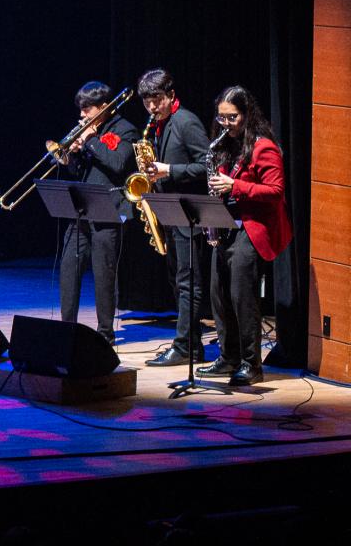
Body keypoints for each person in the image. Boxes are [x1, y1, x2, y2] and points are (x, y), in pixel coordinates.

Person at [199, 86, 290, 385]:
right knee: (218, 294)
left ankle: (252, 364)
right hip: (227, 225)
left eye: (232, 117)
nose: (226, 124)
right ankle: (228, 358)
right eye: (221, 117)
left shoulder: (264, 147)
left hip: (253, 226)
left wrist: (234, 186)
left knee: (242, 296)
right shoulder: (225, 145)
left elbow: (275, 191)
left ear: (247, 114)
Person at [136, 68, 213, 367]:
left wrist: (169, 170)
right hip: (170, 211)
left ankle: (184, 347)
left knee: (188, 281)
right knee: (178, 280)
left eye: (157, 100)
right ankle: (191, 345)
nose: (152, 107)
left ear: (171, 95)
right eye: (147, 102)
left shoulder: (186, 122)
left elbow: (207, 166)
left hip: (189, 213)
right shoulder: (160, 124)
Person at [55, 81, 139, 345]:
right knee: (69, 269)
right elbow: (83, 173)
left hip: (109, 209)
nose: (82, 115)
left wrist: (90, 141)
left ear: (104, 107)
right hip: (82, 208)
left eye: (86, 109)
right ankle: (66, 329)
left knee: (104, 274)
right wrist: (71, 158)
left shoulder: (125, 129)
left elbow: (118, 163)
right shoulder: (88, 132)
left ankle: (105, 334)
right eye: (80, 109)